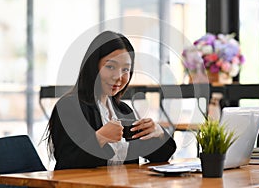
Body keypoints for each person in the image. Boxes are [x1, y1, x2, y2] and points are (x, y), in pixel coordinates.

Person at [46, 31, 176, 170]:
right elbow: (67, 163)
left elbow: (162, 156)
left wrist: (159, 132)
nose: (119, 77)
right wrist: (99, 138)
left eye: (125, 69)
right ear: (93, 65)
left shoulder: (123, 111)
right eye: (110, 67)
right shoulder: (69, 106)